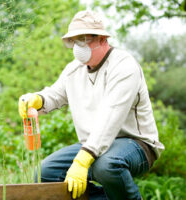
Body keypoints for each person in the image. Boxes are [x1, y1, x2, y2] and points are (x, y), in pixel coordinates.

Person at [18, 10, 164, 200]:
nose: (77, 46)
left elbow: (111, 118)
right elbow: (54, 95)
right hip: (92, 145)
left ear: (102, 39)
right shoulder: (73, 70)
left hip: (136, 143)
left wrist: (82, 160)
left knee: (105, 165)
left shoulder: (124, 66)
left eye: (84, 39)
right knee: (44, 174)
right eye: (73, 40)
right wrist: (37, 99)